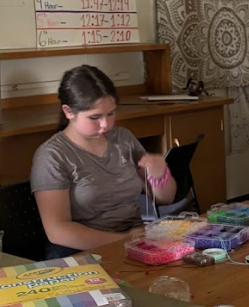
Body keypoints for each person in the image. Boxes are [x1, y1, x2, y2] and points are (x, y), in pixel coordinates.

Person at [31, 65, 177, 257]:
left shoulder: (123, 138)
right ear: (68, 112)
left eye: (111, 114)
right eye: (95, 117)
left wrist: (160, 175)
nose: (106, 124)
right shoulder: (52, 156)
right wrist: (125, 240)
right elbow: (58, 231)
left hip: (136, 241)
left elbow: (166, 198)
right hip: (84, 251)